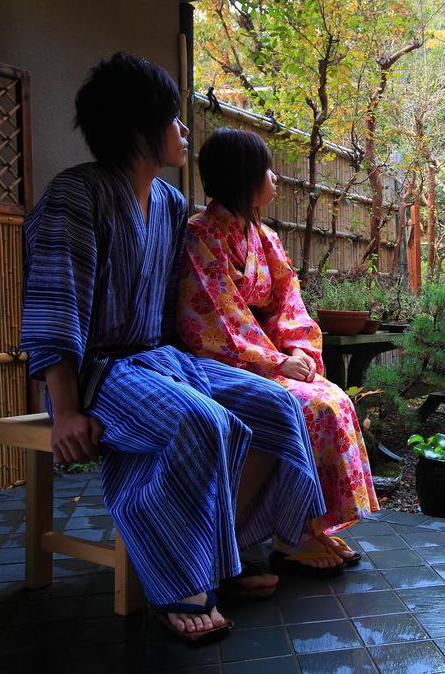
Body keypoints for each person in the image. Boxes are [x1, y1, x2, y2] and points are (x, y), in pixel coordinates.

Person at [20, 54, 326, 641]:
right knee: (201, 422)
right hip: (94, 371)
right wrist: (66, 410)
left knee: (276, 408)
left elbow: (174, 306)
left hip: (155, 358)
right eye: (175, 120)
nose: (185, 133)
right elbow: (55, 304)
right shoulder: (75, 196)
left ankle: (218, 556)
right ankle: (177, 585)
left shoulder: (166, 205)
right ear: (141, 128)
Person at [177, 128, 379, 573]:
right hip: (223, 364)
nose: (275, 178)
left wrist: (299, 349)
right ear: (244, 177)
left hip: (269, 358)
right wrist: (276, 361)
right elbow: (217, 317)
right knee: (311, 409)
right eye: (266, 169)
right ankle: (291, 535)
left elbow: (289, 301)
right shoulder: (200, 235)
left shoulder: (263, 237)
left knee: (335, 399)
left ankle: (309, 527)